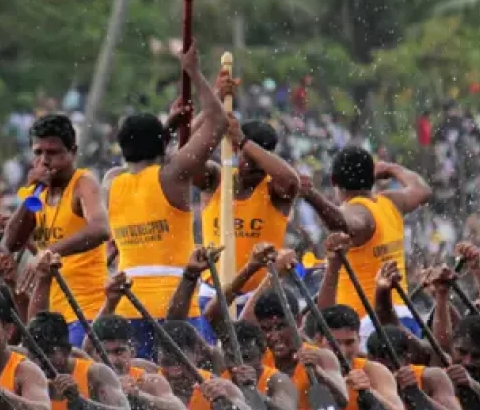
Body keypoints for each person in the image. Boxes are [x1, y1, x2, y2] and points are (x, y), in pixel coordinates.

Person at [104, 40, 228, 357]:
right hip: (178, 307)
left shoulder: (111, 182)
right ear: (161, 146)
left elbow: (152, 158)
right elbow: (219, 121)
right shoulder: (172, 175)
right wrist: (194, 73)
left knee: (141, 392)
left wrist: (167, 129)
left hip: (128, 309)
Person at [196, 69, 300, 326]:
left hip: (258, 299)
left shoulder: (276, 191)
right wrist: (216, 100)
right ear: (232, 150)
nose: (254, 168)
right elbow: (186, 152)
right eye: (248, 161)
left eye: (260, 162)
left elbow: (292, 180)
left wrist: (244, 143)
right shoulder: (215, 179)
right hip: (212, 294)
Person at [300, 147, 432, 343]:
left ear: (334, 181)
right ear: (372, 177)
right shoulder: (391, 202)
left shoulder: (358, 211)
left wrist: (312, 196)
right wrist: (391, 168)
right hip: (403, 317)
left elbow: (341, 223)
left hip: (367, 327)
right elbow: (422, 189)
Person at [5, 114, 109, 348]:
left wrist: (48, 252)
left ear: (73, 152)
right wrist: (31, 193)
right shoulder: (36, 194)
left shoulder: (84, 183)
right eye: (38, 153)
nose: (44, 161)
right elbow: (11, 242)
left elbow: (100, 229)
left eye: (52, 153)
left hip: (85, 313)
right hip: (48, 316)